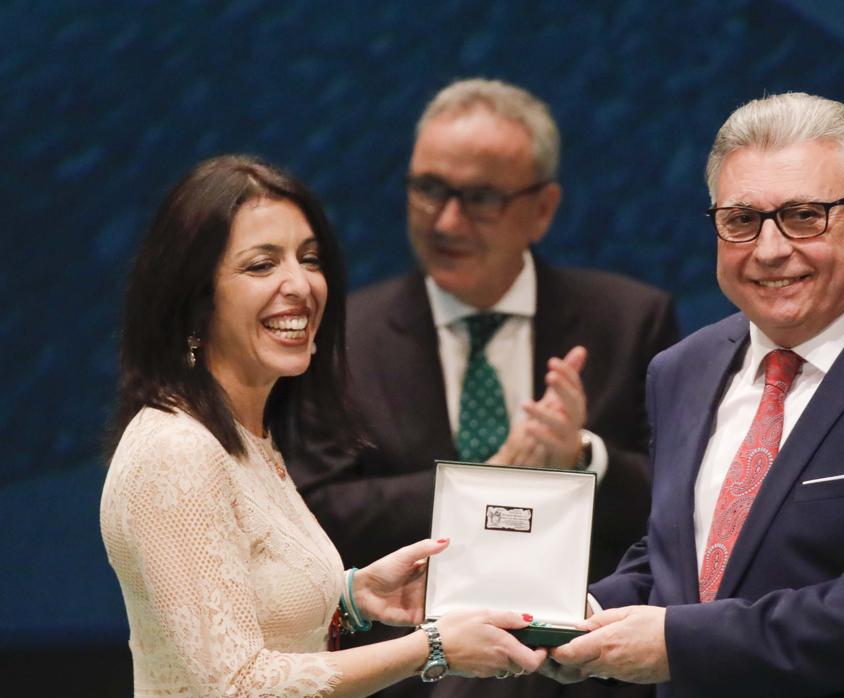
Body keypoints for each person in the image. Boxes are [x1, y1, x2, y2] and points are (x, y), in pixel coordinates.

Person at [541, 92, 844, 697]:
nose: (770, 250)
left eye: (804, 216)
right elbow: (684, 556)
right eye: (741, 221)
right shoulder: (681, 369)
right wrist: (579, 613)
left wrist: (680, 644)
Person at [282, 79, 677, 698]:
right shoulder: (341, 337)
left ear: (542, 209)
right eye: (429, 189)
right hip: (406, 675)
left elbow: (682, 509)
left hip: (580, 675)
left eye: (481, 198)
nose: (446, 220)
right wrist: (484, 482)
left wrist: (582, 459)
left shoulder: (628, 321)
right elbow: (311, 513)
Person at [100, 155, 545, 696]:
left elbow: (256, 614)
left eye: (309, 259)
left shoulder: (246, 437)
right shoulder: (177, 450)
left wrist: (353, 598)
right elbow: (236, 685)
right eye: (261, 265)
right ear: (195, 300)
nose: (301, 284)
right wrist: (432, 647)